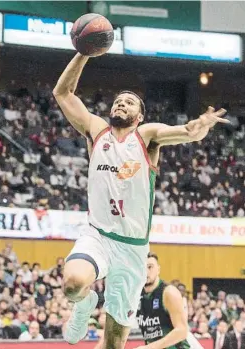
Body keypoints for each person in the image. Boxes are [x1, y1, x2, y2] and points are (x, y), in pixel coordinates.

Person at [53, 51, 228, 348]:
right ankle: (85, 305)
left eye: (129, 101)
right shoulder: (97, 131)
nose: (121, 103)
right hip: (98, 235)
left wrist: (197, 127)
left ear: (140, 115)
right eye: (118, 100)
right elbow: (62, 93)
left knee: (114, 343)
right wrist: (83, 52)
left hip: (133, 250)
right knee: (73, 285)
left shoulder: (145, 136)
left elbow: (185, 132)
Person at [136, 252, 203, 349]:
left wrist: (149, 347)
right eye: (142, 267)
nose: (146, 271)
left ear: (158, 269)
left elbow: (182, 331)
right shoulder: (137, 295)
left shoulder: (169, 292)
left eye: (150, 267)